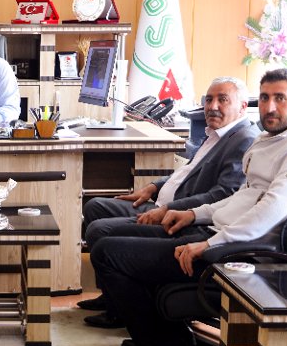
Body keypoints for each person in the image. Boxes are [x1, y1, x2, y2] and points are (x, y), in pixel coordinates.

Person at [92, 68, 287, 346]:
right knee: (110, 241)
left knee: (109, 252)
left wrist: (209, 244)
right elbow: (242, 196)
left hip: (234, 254)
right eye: (265, 97)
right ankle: (162, 338)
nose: (269, 107)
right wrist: (194, 213)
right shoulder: (273, 140)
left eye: (280, 98)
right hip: (216, 235)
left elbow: (272, 210)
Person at [78, 77, 260, 327]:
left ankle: (120, 309)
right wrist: (154, 187)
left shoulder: (244, 139)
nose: (212, 106)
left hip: (182, 217)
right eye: (209, 100)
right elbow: (187, 172)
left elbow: (223, 194)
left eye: (222, 100)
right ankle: (112, 296)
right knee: (95, 207)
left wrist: (167, 208)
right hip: (162, 204)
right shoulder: (216, 133)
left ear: (242, 106)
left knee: (100, 231)